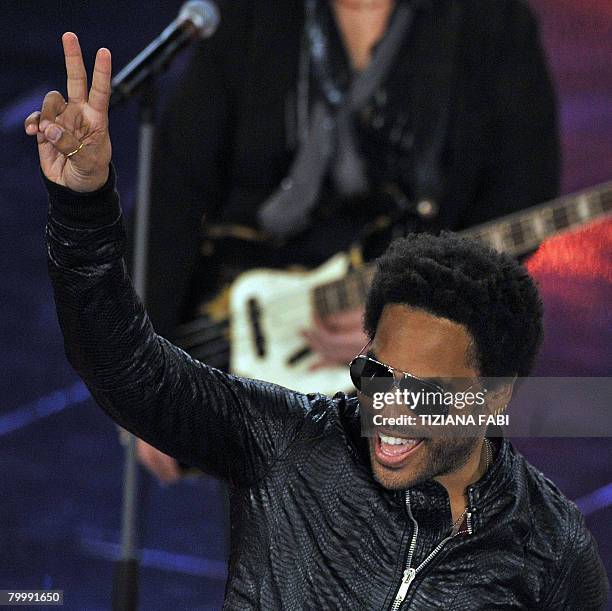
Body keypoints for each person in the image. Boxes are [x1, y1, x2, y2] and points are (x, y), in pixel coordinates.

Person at [26, 33, 608, 608]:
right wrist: (83, 205)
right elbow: (127, 368)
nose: (389, 411)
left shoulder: (552, 552)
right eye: (378, 373)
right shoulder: (289, 443)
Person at [137, 0, 561, 480]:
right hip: (263, 351)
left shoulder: (490, 22)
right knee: (274, 549)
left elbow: (522, 199)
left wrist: (409, 319)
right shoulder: (251, 16)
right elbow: (172, 191)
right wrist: (151, 378)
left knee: (417, 544)